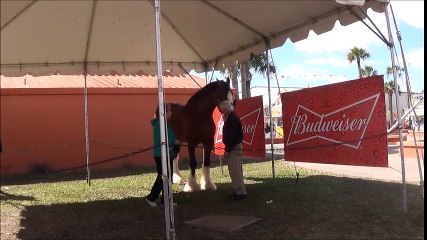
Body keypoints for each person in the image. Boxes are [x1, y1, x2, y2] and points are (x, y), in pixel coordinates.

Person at [146, 104, 180, 207]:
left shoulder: (166, 123)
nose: (171, 112)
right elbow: (161, 139)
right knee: (163, 177)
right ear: (163, 112)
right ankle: (151, 197)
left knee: (168, 177)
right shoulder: (159, 125)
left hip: (168, 153)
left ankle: (166, 200)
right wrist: (174, 141)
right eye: (169, 110)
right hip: (161, 155)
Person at [219, 100, 247, 201]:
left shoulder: (231, 119)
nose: (221, 112)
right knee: (237, 170)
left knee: (235, 171)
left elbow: (231, 136)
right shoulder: (232, 117)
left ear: (226, 109)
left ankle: (241, 192)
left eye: (222, 110)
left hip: (233, 148)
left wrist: (227, 149)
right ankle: (239, 190)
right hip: (235, 146)